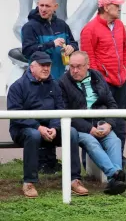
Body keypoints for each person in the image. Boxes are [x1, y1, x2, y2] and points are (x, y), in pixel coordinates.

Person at [7, 51, 88, 198]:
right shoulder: (17, 87)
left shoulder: (54, 85)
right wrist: (38, 127)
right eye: (42, 65)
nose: (46, 68)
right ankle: (29, 182)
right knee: (33, 135)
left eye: (48, 65)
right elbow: (16, 115)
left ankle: (74, 179)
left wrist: (55, 128)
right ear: (32, 67)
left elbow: (60, 109)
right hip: (24, 129)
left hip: (51, 128)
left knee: (71, 132)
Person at [20, 0, 78, 174]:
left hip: (60, 79)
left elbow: (75, 44)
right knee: (41, 117)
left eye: (47, 6)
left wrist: (72, 47)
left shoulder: (62, 25)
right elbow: (28, 51)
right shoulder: (30, 26)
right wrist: (51, 44)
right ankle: (44, 162)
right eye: (41, 5)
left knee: (56, 118)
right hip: (39, 80)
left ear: (55, 7)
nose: (43, 9)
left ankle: (50, 162)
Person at [59, 51, 126, 195]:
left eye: (78, 67)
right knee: (91, 143)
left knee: (115, 141)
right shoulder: (62, 82)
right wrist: (89, 128)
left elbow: (112, 104)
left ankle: (114, 180)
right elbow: (65, 112)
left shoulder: (97, 76)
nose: (74, 70)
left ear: (88, 65)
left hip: (101, 122)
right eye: (71, 66)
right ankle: (116, 175)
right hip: (79, 127)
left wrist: (109, 124)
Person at [80, 0, 126, 167]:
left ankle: (119, 161)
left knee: (120, 123)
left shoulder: (119, 25)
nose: (119, 7)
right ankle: (90, 163)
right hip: (102, 85)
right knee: (95, 123)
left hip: (121, 82)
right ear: (106, 7)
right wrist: (100, 81)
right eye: (116, 5)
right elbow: (89, 60)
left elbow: (125, 49)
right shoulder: (89, 29)